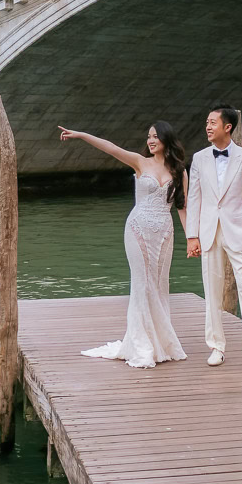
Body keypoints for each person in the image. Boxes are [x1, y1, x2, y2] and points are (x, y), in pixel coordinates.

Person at [58, 122, 189, 368]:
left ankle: (161, 341)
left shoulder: (179, 171)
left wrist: (192, 238)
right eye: (148, 136)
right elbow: (110, 148)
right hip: (137, 229)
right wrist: (82, 134)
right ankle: (141, 345)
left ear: (166, 139)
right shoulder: (140, 162)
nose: (151, 141)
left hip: (164, 233)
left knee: (159, 285)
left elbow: (182, 207)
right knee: (141, 285)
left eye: (156, 137)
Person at [184, 106, 242, 369]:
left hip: (240, 231)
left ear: (227, 127)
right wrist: (192, 236)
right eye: (206, 122)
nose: (207, 127)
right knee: (212, 292)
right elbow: (194, 198)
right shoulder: (199, 158)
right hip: (209, 232)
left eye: (212, 122)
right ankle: (216, 347)